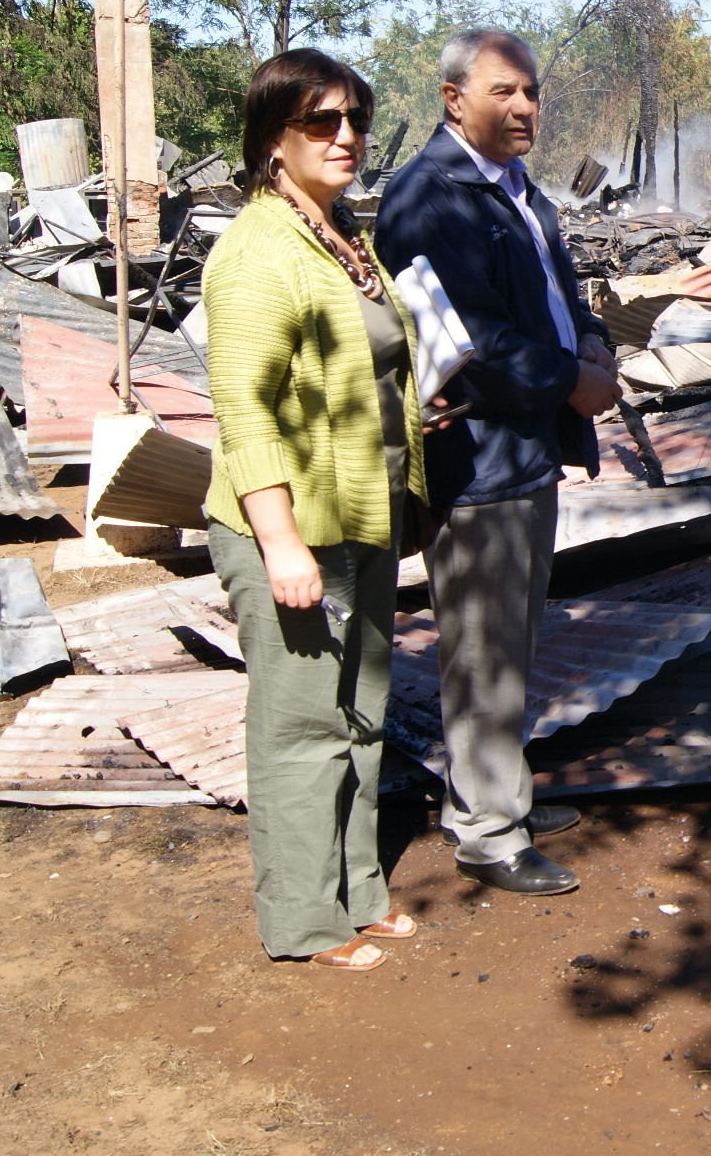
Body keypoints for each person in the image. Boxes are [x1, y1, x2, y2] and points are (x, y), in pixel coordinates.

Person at [374, 27, 619, 896]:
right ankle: (487, 830)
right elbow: (466, 339)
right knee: (481, 645)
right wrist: (570, 385)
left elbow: (562, 290)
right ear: (453, 99)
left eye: (531, 92)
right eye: (504, 92)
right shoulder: (427, 197)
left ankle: (491, 789)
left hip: (526, 452)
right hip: (476, 459)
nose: (525, 107)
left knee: (512, 637)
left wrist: (592, 345)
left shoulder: (519, 190)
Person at [204, 48, 431, 971]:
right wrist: (280, 544)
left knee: (363, 708)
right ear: (272, 142)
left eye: (353, 119)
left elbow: (362, 364)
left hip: (362, 511)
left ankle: (357, 890)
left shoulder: (336, 233)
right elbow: (243, 409)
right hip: (292, 529)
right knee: (301, 724)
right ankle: (303, 920)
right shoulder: (256, 250)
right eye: (320, 123)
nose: (347, 137)